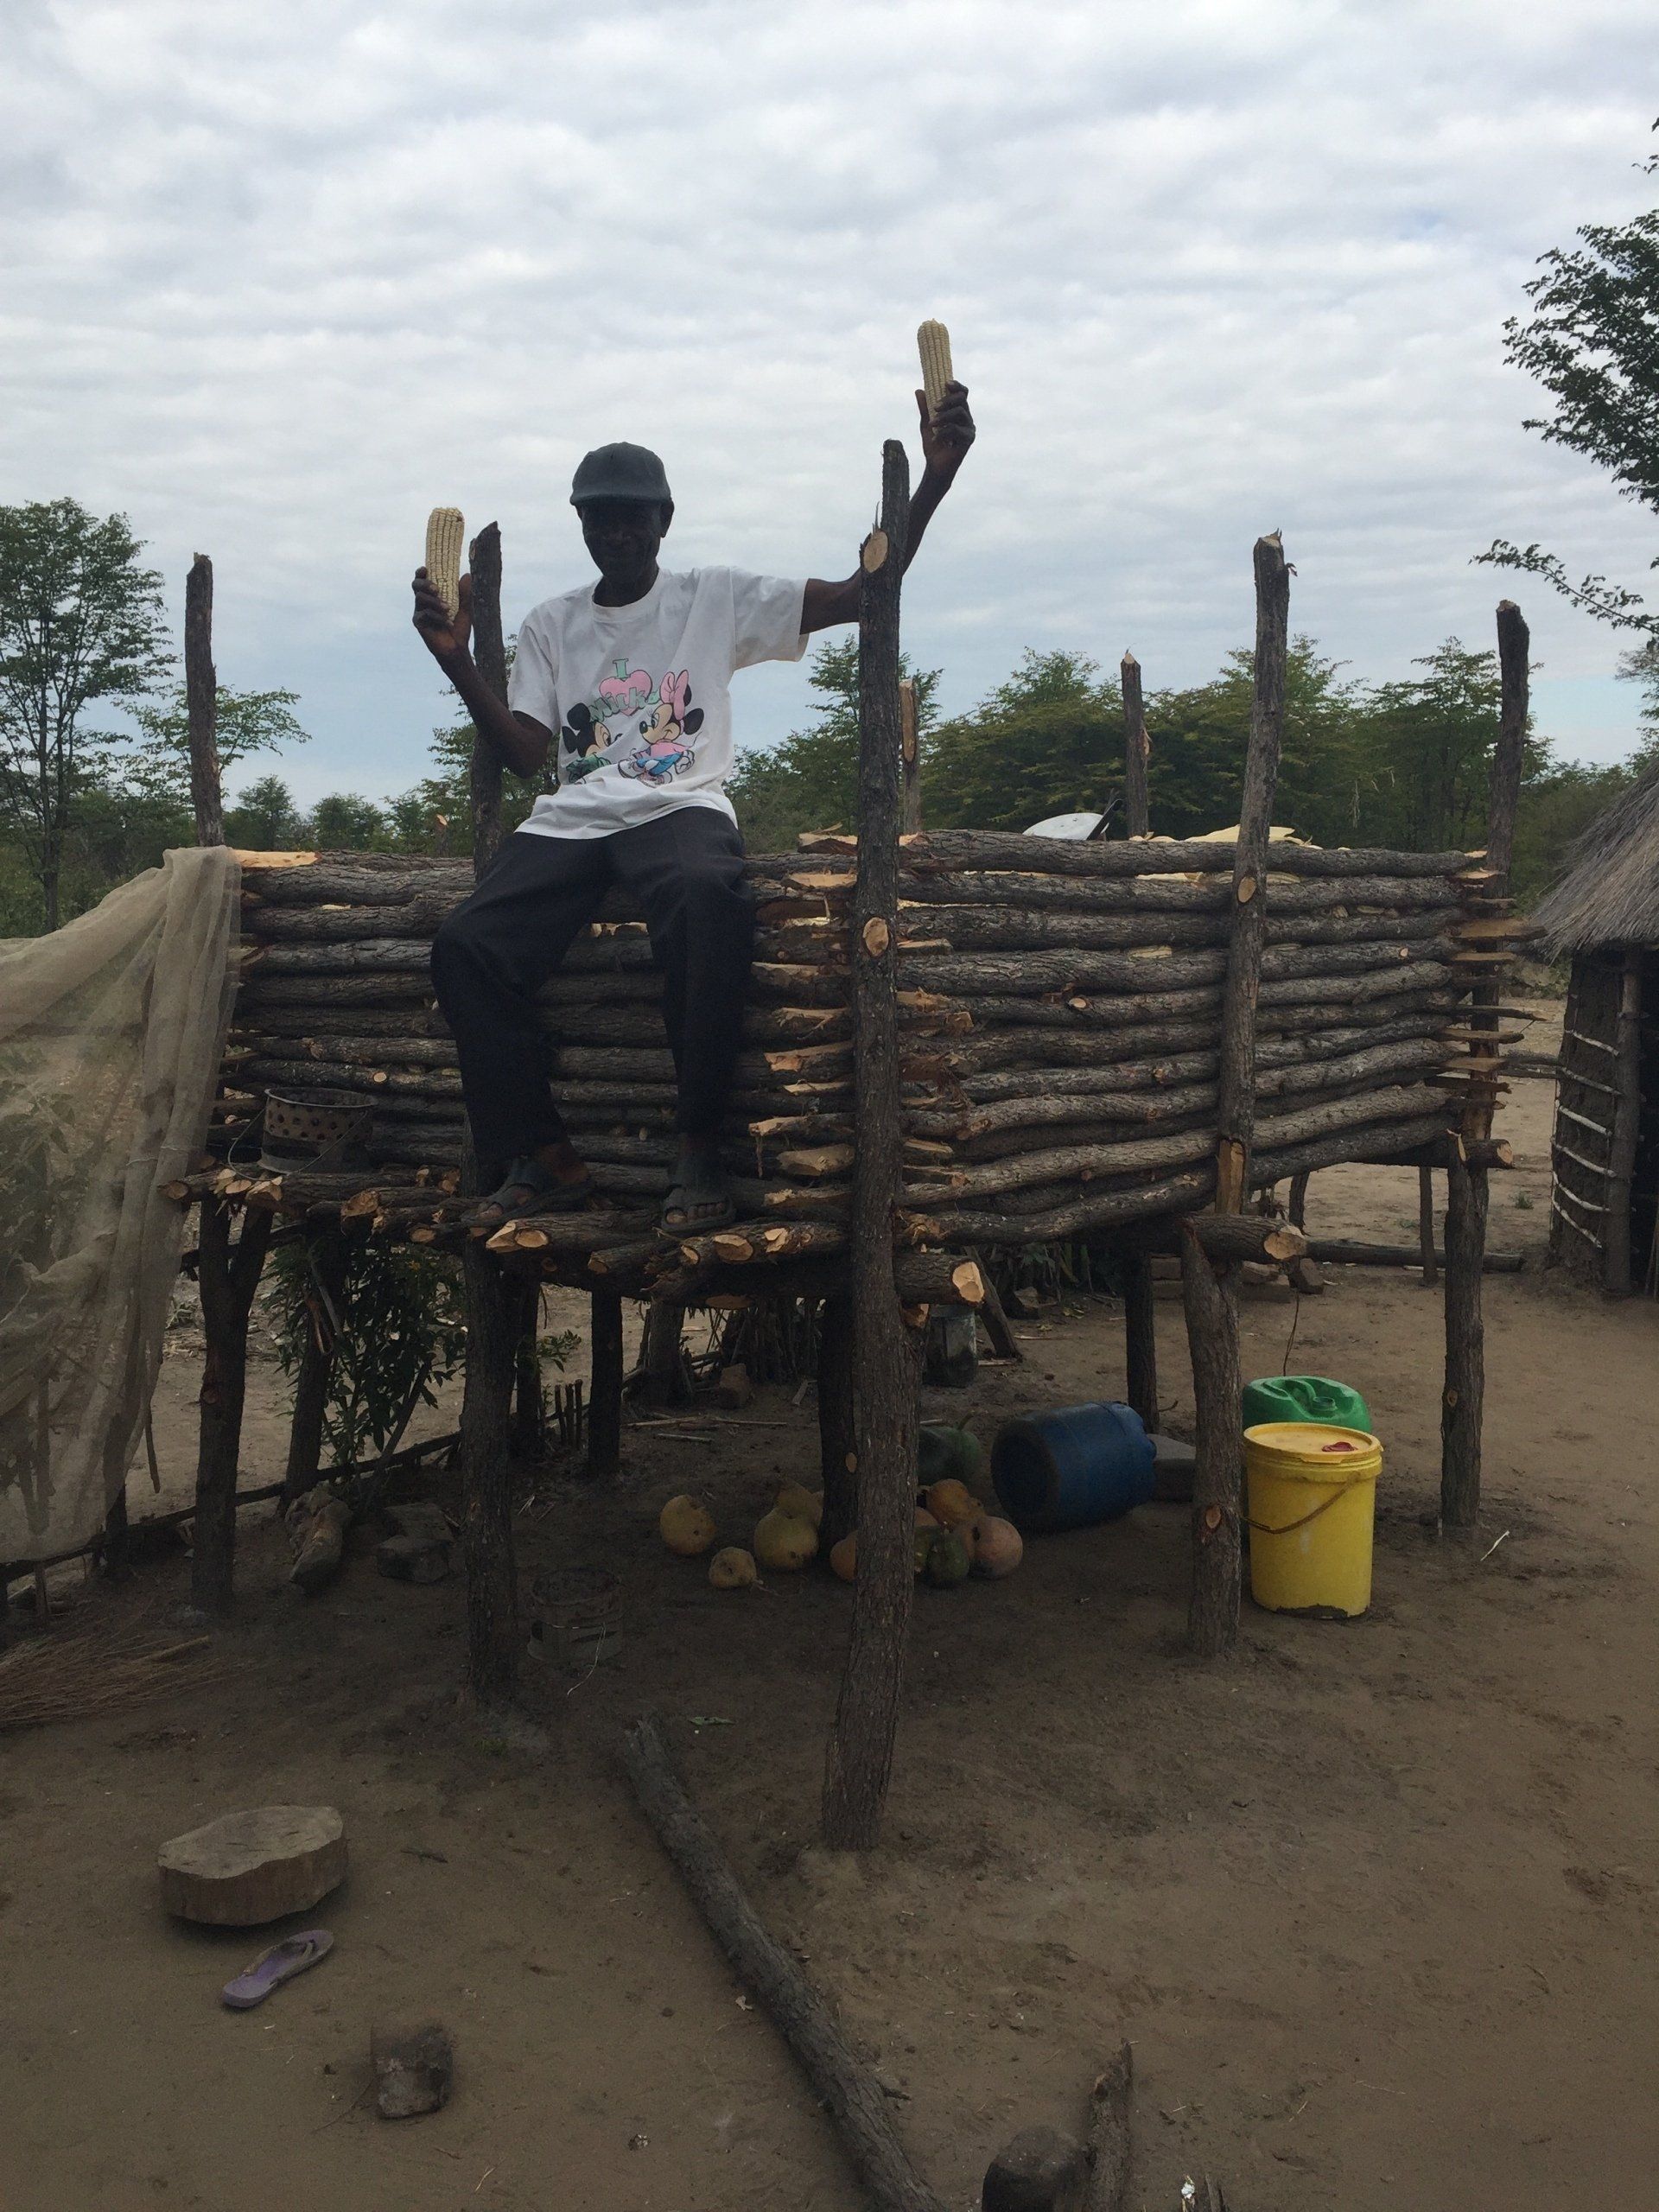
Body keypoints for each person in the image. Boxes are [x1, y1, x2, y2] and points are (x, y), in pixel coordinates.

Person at [412, 381, 976, 1230]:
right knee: (465, 947)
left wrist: (935, 479)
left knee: (707, 896)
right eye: (599, 517)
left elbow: (861, 593)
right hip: (574, 817)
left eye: (633, 516)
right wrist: (454, 658)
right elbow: (531, 754)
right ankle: (542, 1154)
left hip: (681, 806)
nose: (616, 531)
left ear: (664, 521)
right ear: (582, 525)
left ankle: (697, 1147)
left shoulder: (713, 598)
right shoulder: (549, 623)